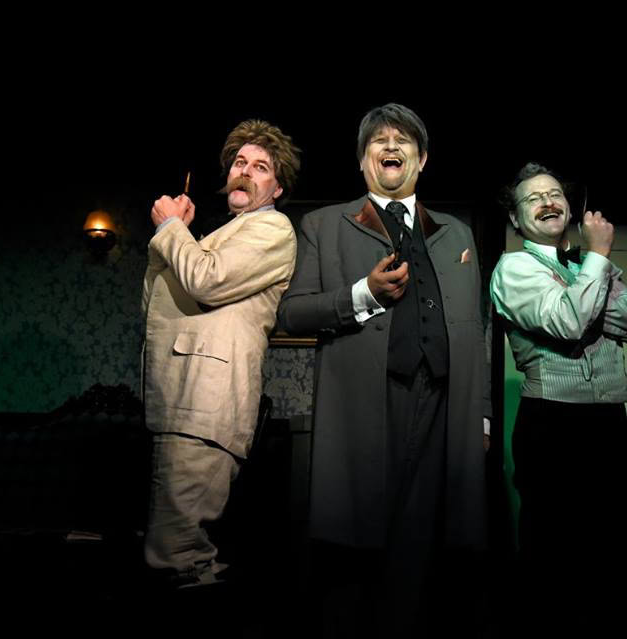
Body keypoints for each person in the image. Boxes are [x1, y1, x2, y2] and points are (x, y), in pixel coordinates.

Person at [277, 103, 489, 636]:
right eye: (379, 140)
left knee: (426, 541)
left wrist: (482, 413)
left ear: (422, 159)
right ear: (362, 160)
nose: (391, 146)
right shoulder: (323, 225)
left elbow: (476, 327)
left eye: (403, 140)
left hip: (444, 403)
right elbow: (292, 313)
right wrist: (363, 293)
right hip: (366, 401)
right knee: (356, 543)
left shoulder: (458, 234)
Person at [490, 162, 627, 635]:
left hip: (607, 422)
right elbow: (567, 322)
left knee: (615, 554)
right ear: (516, 219)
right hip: (551, 423)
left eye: (555, 194)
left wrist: (586, 280)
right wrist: (598, 260)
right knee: (554, 556)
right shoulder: (514, 268)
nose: (547, 202)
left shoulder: (586, 264)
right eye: (533, 198)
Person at [142, 119, 300, 587]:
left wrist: (171, 227)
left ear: (277, 189)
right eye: (239, 163)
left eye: (261, 167)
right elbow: (155, 303)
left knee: (174, 555)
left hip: (206, 403)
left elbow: (206, 281)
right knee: (183, 555)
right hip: (183, 401)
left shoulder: (272, 227)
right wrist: (172, 237)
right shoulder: (221, 235)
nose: (245, 172)